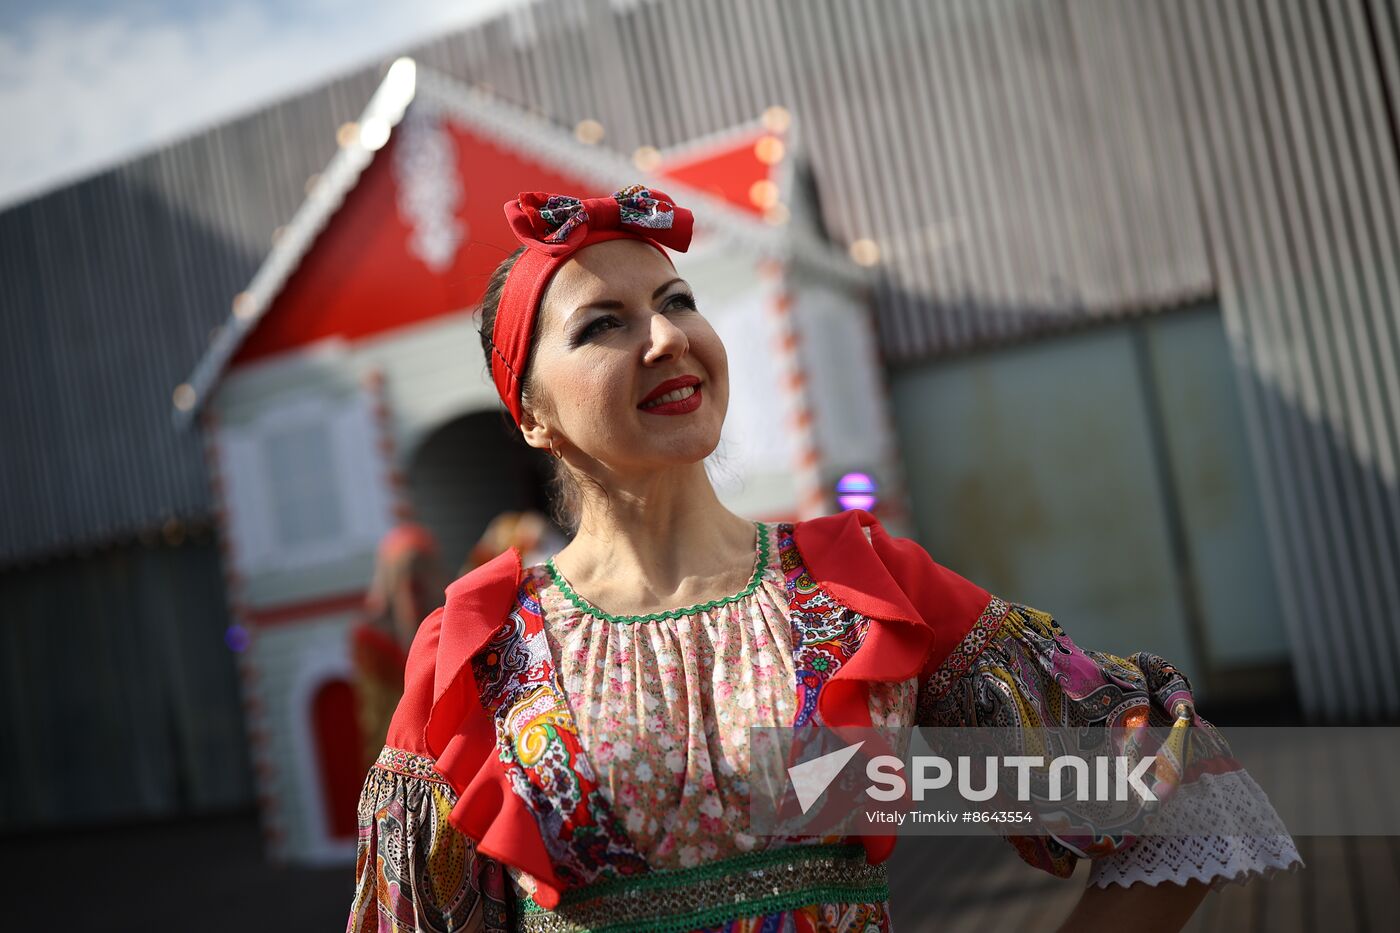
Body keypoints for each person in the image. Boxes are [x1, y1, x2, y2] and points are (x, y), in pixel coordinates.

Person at [346, 186, 1300, 932]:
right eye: (604, 324)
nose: (669, 336)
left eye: (677, 301)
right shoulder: (477, 644)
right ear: (532, 413)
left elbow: (1180, 798)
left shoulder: (856, 582)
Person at [348, 523, 449, 773]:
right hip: (402, 753)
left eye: (417, 576)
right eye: (402, 576)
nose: (410, 589)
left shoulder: (449, 622)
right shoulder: (372, 641)